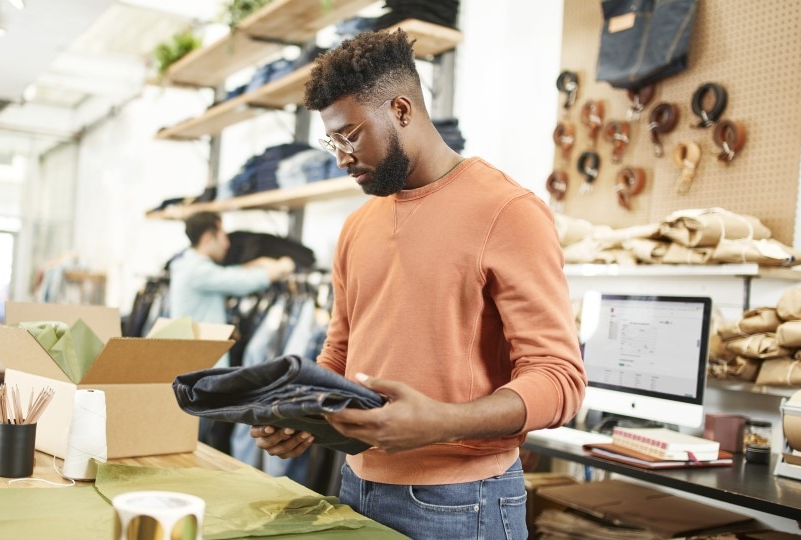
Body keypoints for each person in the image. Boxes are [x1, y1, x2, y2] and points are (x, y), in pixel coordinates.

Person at [250, 29, 586, 539]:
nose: (340, 156)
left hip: (463, 503)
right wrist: (301, 413)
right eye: (332, 140)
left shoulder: (509, 212)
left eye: (350, 135)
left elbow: (560, 379)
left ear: (402, 110)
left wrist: (441, 421)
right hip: (354, 486)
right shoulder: (358, 225)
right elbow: (338, 356)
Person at [169, 211, 295, 362]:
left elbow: (228, 273)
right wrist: (282, 266)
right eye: (223, 236)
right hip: (201, 362)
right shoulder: (197, 271)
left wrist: (258, 263)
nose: (227, 243)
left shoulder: (188, 264)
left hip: (196, 359)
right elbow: (244, 281)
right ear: (208, 238)